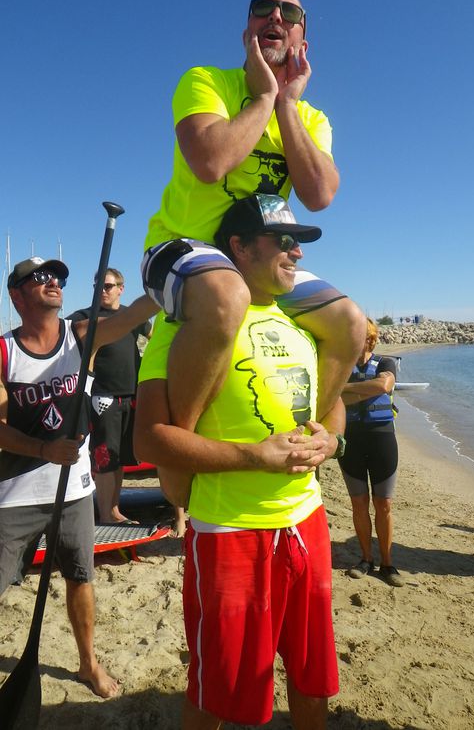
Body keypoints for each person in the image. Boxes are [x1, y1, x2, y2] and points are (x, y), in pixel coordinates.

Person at [134, 195, 345, 729]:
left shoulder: (303, 325)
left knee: (310, 675)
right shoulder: (188, 325)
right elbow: (151, 441)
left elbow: (332, 404)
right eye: (283, 242)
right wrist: (254, 456)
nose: (296, 252)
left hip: (307, 522)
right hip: (231, 529)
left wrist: (332, 442)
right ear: (240, 247)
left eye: (299, 243)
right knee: (218, 690)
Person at [141, 0, 364, 453]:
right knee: (226, 294)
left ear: (303, 42)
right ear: (247, 32)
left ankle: (306, 435)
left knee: (350, 322)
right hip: (179, 246)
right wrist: (264, 97)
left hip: (259, 257)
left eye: (289, 13)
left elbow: (320, 194)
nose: (275, 17)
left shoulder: (310, 118)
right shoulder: (206, 82)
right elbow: (209, 162)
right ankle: (187, 444)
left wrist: (286, 106)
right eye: (263, 9)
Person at [0, 256, 158, 697]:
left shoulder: (81, 337)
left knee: (81, 577)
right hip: (14, 496)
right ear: (17, 295)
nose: (54, 282)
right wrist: (43, 450)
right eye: (40, 277)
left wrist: (165, 282)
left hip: (73, 494)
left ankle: (88, 663)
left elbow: (131, 316)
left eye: (58, 277)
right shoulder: (4, 352)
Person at [68, 268, 152, 525]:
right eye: (98, 286)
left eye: (107, 286)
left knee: (120, 458)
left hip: (130, 395)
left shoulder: (131, 317)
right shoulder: (84, 317)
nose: (101, 291)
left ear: (120, 288)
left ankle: (114, 509)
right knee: (104, 457)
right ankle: (107, 513)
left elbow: (154, 339)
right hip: (102, 396)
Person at [340, 318, 404, 587]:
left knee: (384, 504)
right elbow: (331, 397)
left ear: (370, 339)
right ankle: (366, 559)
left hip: (381, 440)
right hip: (351, 440)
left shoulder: (386, 363)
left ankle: (388, 563)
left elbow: (383, 386)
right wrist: (346, 392)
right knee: (358, 503)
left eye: (358, 334)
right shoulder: (341, 366)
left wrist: (344, 391)